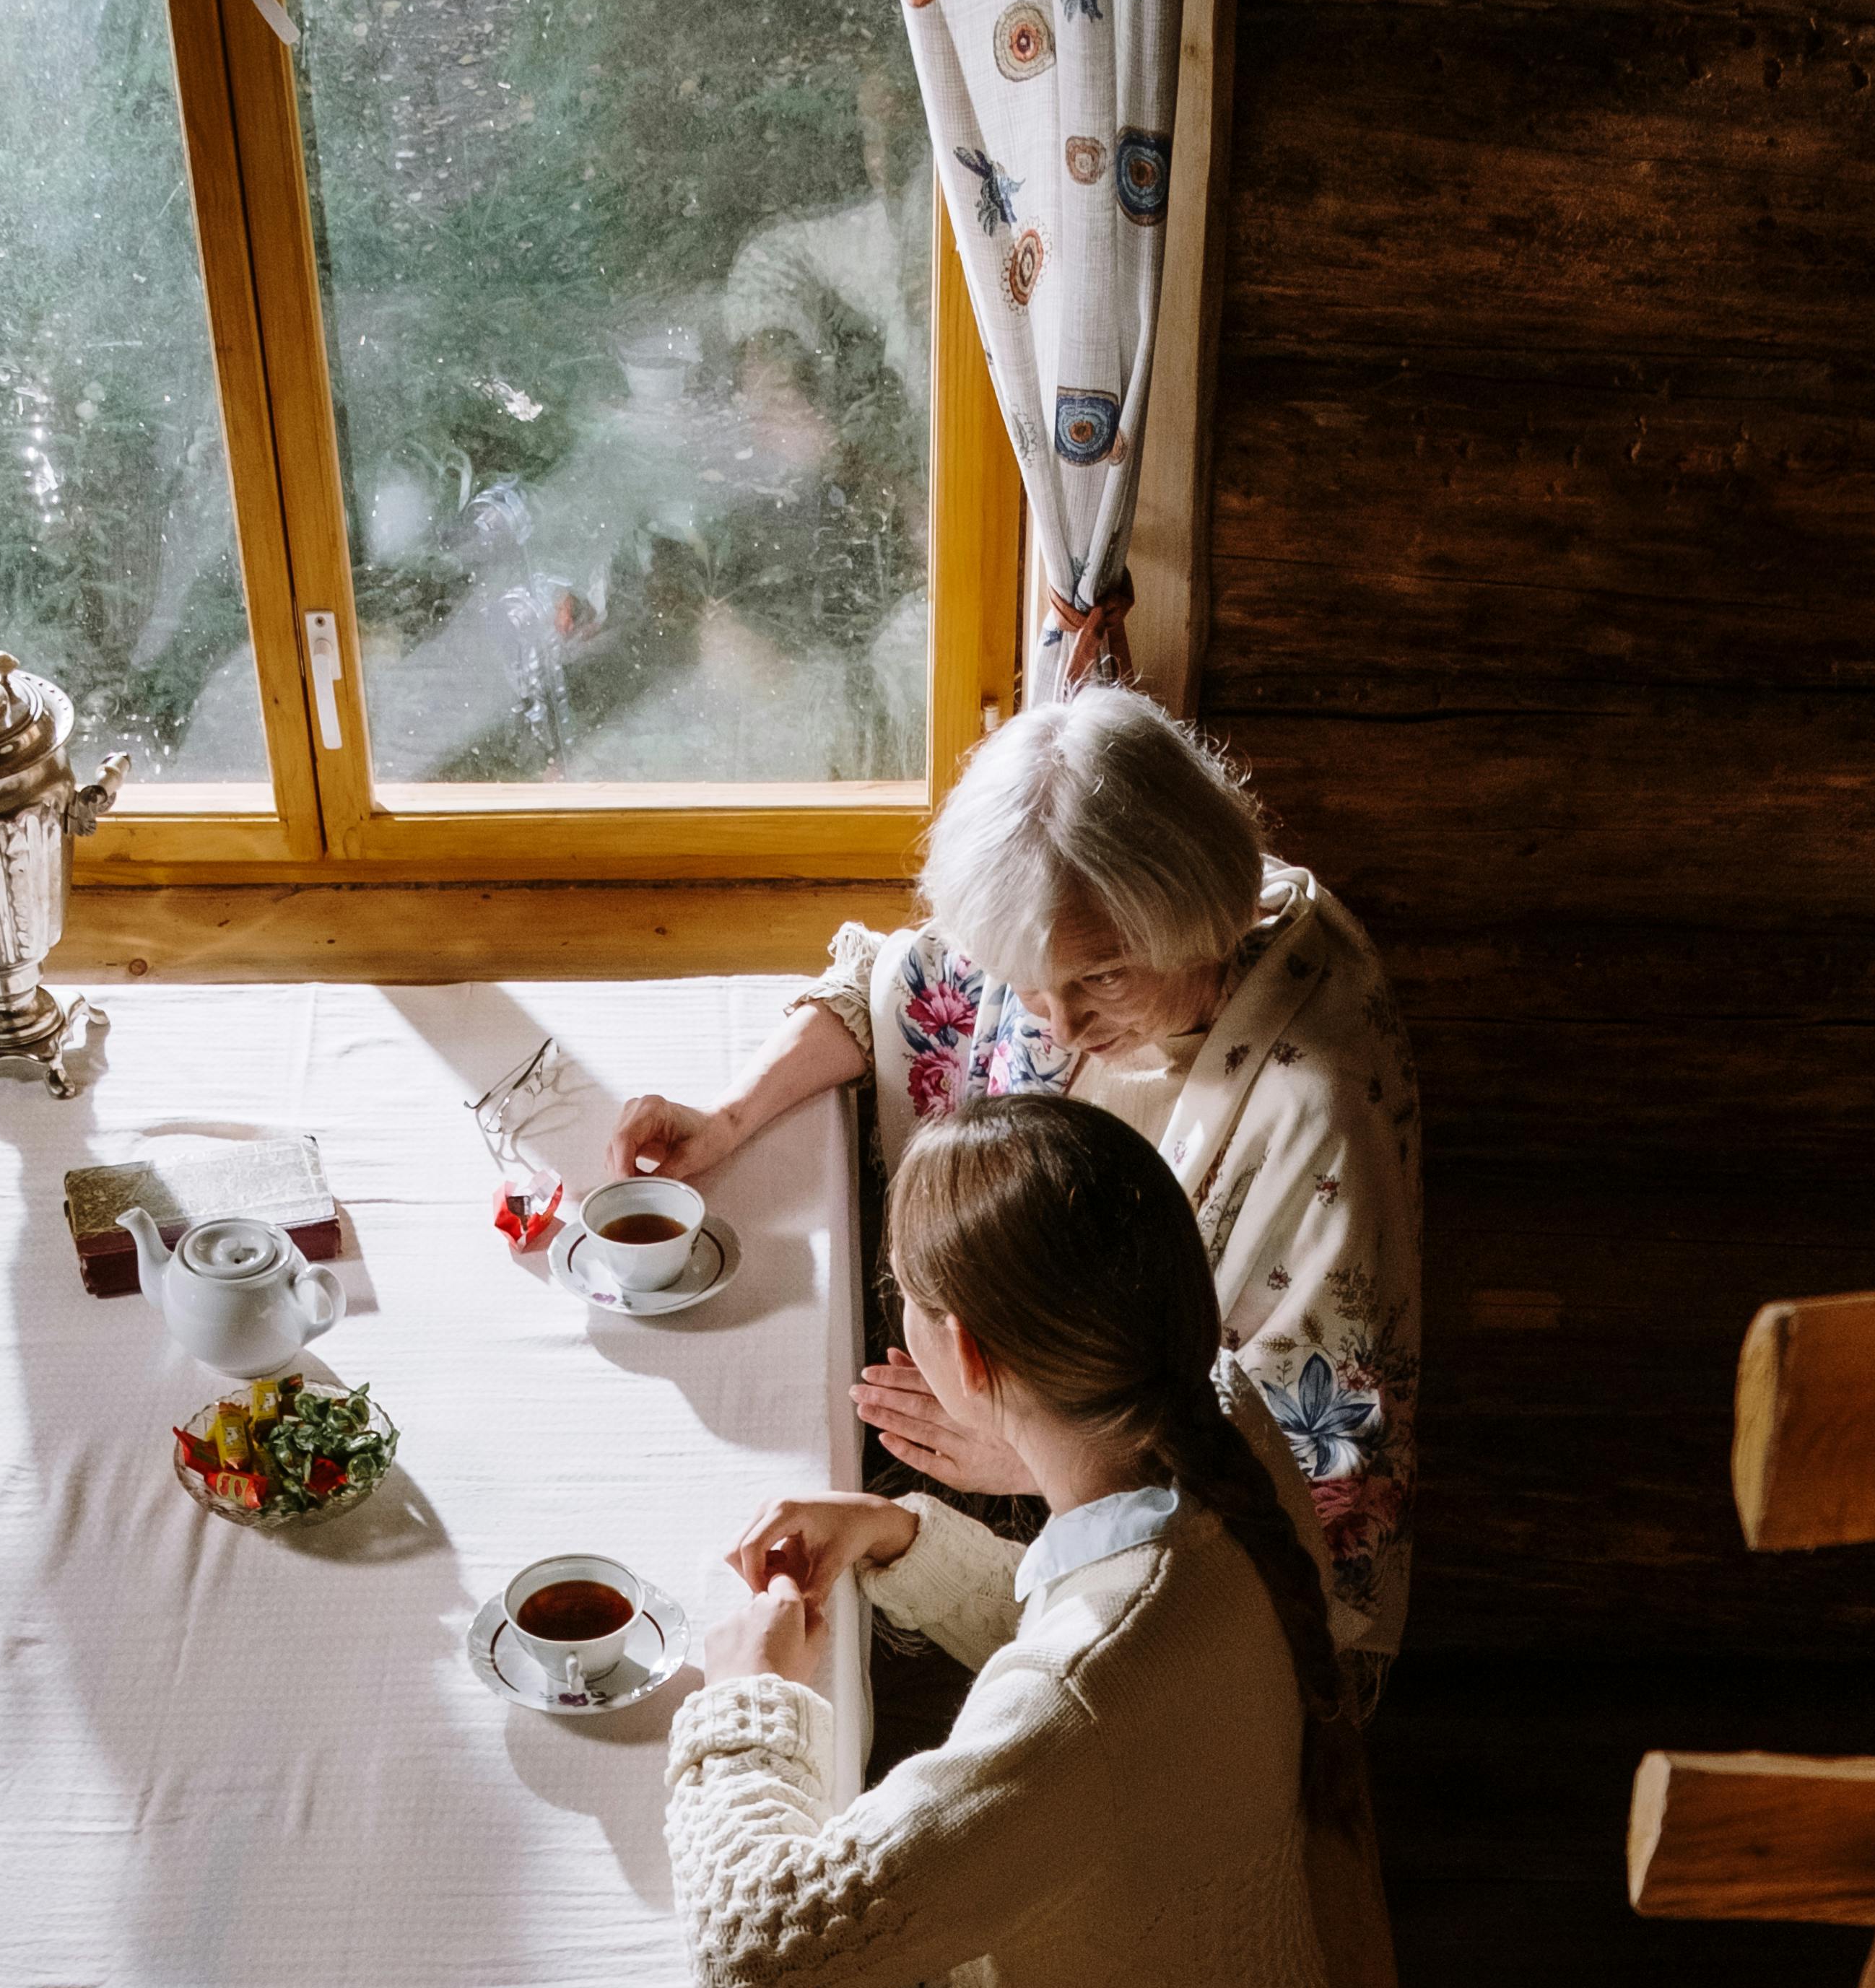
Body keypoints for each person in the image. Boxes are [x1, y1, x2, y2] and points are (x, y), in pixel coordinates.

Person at [665, 1097, 1346, 1988]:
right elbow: (1104, 1643)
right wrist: (907, 1539)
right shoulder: (1222, 1426)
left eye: (905, 1302)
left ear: (962, 1356)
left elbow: (757, 1949)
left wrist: (746, 1702)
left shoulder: (1088, 1691)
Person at [609, 688, 1422, 1683]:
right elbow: (895, 986)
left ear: (1196, 914)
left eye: (1106, 978)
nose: (1062, 1025)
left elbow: (1318, 1471)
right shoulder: (1058, 918)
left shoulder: (1314, 1105)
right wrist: (726, 1119)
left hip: (1145, 1556)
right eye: (1030, 984)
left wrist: (1044, 1454)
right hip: (1006, 1427)